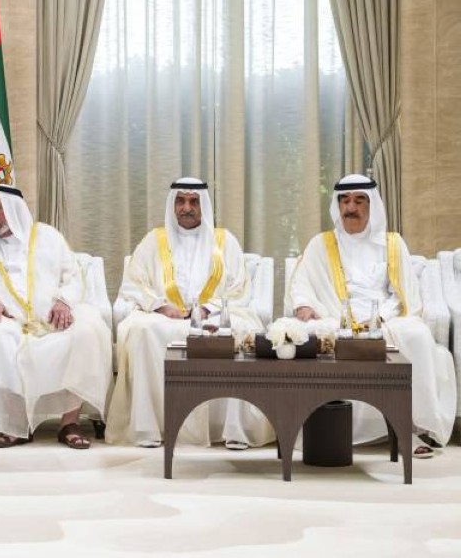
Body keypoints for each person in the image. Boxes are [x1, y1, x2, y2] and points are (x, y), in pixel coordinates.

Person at [288, 174, 456, 457]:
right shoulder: (321, 243)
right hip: (334, 318)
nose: (350, 207)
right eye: (344, 200)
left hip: (384, 320)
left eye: (359, 200)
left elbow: (402, 296)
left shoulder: (392, 244)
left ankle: (410, 429)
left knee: (416, 334)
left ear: (372, 205)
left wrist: (378, 318)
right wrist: (303, 306)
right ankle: (320, 428)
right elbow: (301, 284)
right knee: (302, 333)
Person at [107, 178, 272, 449]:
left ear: (203, 205)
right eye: (181, 201)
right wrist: (161, 306)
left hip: (213, 315)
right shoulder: (153, 240)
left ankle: (233, 429)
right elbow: (134, 282)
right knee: (143, 331)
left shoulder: (225, 241)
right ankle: (150, 427)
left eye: (194, 201)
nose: (187, 208)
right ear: (173, 205)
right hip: (162, 315)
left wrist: (208, 308)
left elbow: (240, 286)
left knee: (239, 331)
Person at [0, 186, 112, 448]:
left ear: (14, 209)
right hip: (10, 322)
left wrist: (63, 301)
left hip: (53, 319)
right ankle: (15, 425)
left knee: (88, 332)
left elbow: (73, 276)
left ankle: (69, 423)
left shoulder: (48, 237)